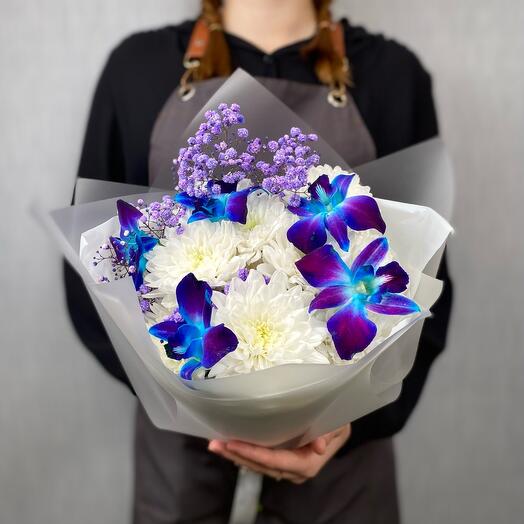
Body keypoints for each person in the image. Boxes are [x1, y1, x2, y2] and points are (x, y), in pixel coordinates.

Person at [64, 1, 453, 522]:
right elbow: (94, 277)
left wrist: (344, 426)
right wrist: (196, 397)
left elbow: (424, 288)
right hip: (183, 476)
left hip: (339, 480)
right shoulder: (139, 69)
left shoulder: (391, 75)